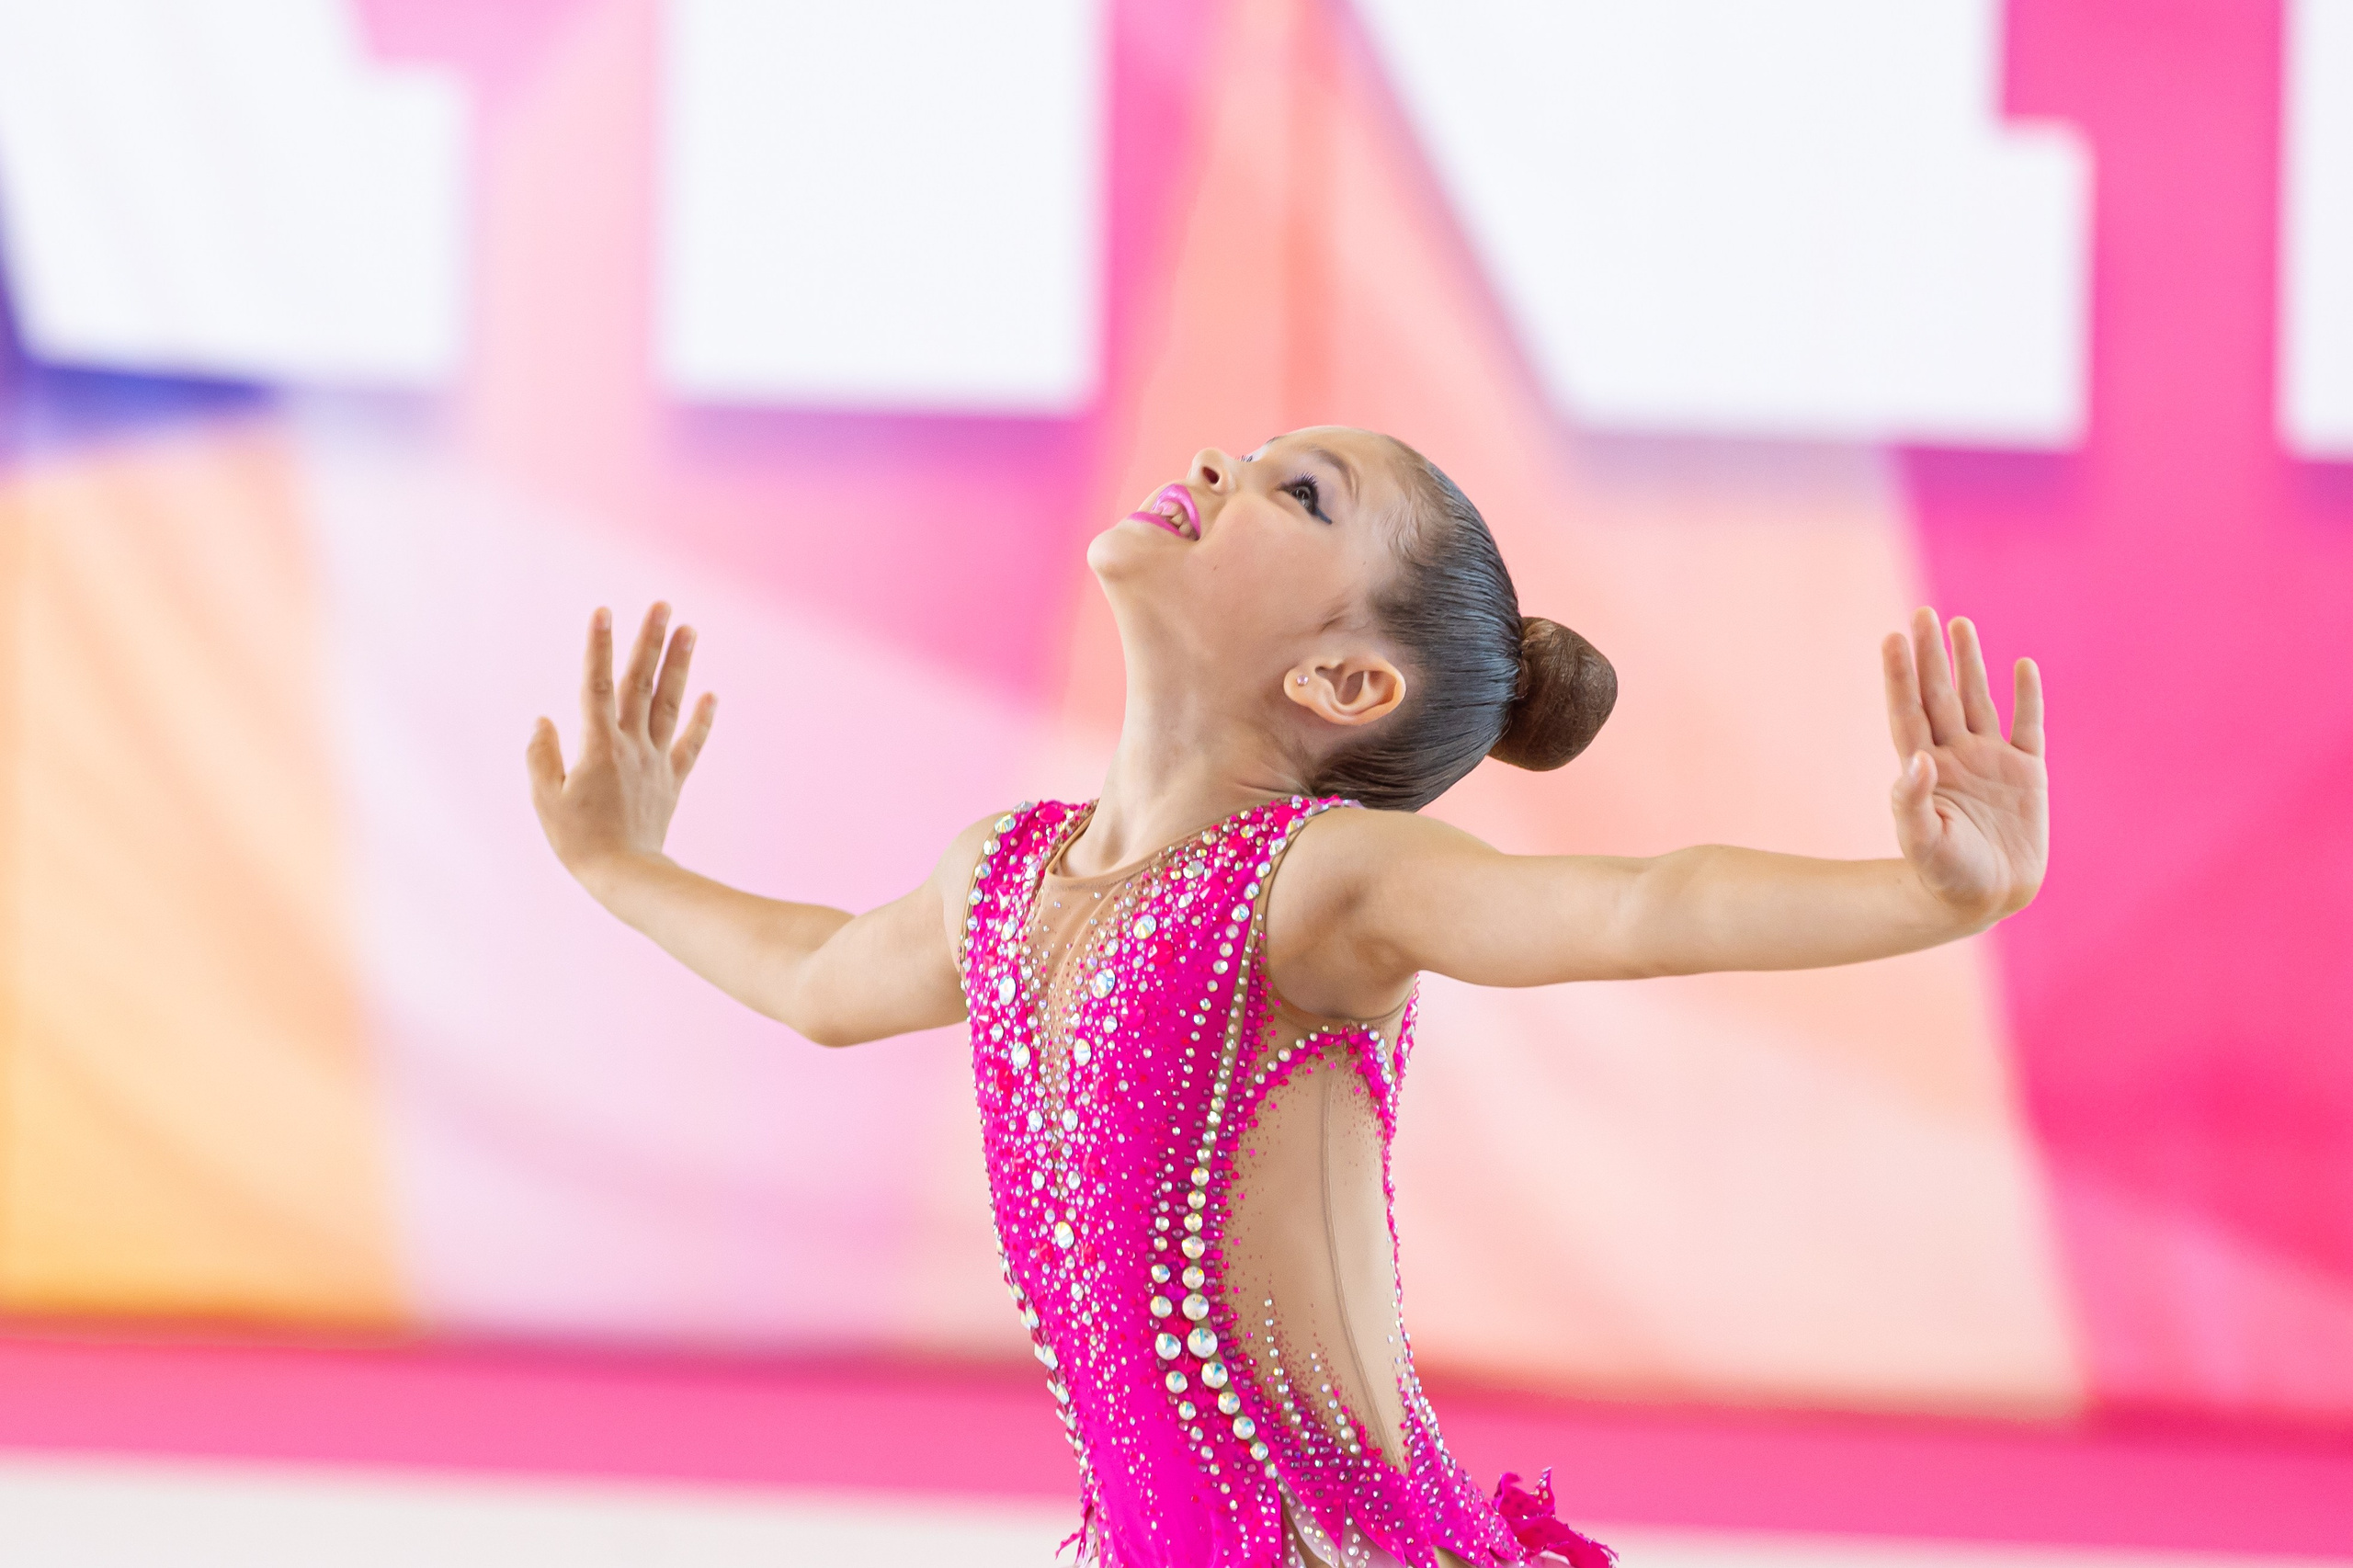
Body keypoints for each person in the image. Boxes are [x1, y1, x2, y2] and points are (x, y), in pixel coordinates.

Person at [525, 427, 2049, 1568]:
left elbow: (1638, 906)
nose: (1224, 467)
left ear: (1344, 683)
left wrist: (1924, 891)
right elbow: (812, 975)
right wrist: (617, 864)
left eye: (1300, 493)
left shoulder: (1319, 885)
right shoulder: (1002, 880)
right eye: (1254, 456)